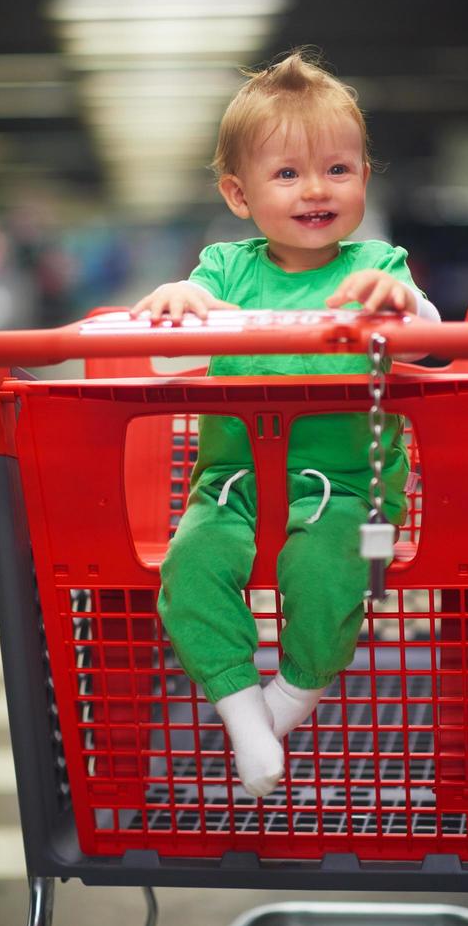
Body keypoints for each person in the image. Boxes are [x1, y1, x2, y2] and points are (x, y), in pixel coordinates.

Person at [131, 50, 440, 798]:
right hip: (230, 487)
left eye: (338, 169)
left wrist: (401, 307)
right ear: (238, 194)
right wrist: (176, 307)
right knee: (190, 567)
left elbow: (431, 339)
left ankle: (292, 697)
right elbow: (168, 363)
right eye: (288, 174)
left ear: (366, 175)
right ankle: (244, 715)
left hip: (344, 487)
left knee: (326, 571)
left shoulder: (378, 263)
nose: (316, 190)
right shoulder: (221, 269)